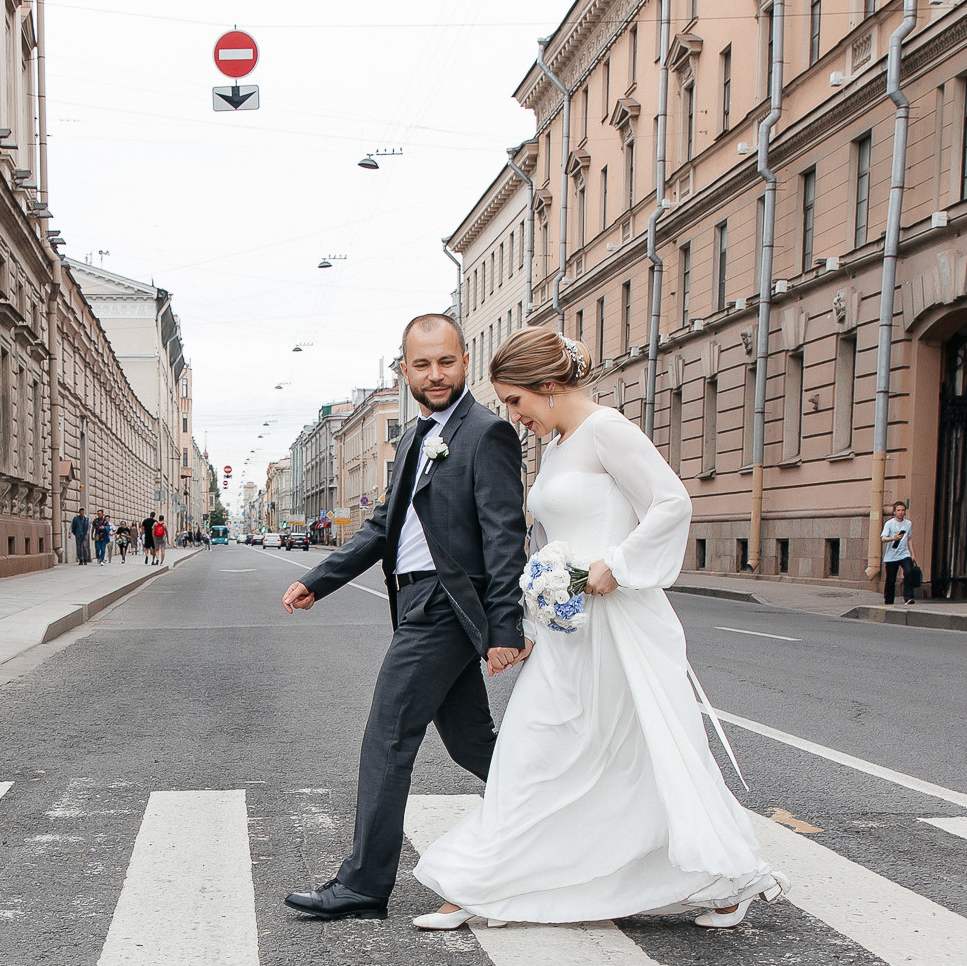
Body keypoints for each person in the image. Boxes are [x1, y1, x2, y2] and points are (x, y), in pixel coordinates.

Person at [410, 327, 786, 931]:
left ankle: (722, 879)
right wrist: (532, 611)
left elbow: (671, 502)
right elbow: (553, 539)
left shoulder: (607, 430)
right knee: (533, 749)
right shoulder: (557, 446)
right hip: (567, 626)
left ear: (550, 386)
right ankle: (485, 886)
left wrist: (620, 562)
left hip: (617, 624)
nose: (513, 416)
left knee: (638, 753)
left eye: (516, 401)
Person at [280, 314, 529, 921]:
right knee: (473, 743)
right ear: (405, 370)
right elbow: (383, 526)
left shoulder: (487, 433)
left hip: (445, 607)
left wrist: (505, 628)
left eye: (446, 361)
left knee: (387, 739)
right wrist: (320, 580)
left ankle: (365, 883)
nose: (435, 374)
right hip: (415, 600)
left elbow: (504, 536)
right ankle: (563, 820)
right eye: (422, 364)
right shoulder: (416, 437)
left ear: (466, 362)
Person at [881, 500, 915, 604]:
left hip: (905, 554)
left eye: (903, 510)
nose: (901, 512)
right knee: (891, 579)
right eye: (898, 510)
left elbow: (909, 539)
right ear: (894, 512)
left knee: (909, 572)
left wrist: (913, 553)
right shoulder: (889, 523)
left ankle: (908, 597)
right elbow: (883, 538)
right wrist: (893, 538)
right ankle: (889, 600)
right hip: (892, 556)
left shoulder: (908, 523)